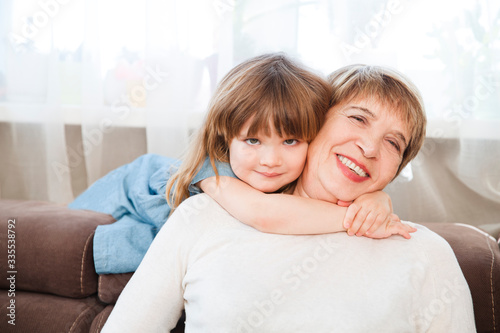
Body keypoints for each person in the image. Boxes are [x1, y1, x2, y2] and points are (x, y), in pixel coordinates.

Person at [101, 64, 475, 332]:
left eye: (393, 143)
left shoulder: (426, 253)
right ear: (313, 122)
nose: (370, 146)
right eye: (358, 119)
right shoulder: (203, 215)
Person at [70, 54, 412, 274]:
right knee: (75, 246)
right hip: (129, 191)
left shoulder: (322, 180)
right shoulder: (217, 168)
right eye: (253, 141)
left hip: (163, 229)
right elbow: (262, 212)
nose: (271, 159)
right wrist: (357, 220)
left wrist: (376, 202)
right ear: (225, 139)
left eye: (291, 140)